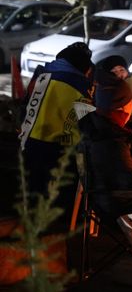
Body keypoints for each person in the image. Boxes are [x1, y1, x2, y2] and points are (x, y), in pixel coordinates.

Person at [20, 42, 94, 195]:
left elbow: (24, 107)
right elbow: (87, 124)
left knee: (33, 190)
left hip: (30, 141)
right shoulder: (80, 87)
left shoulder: (41, 77)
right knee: (57, 197)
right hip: (60, 148)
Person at [78, 71, 132, 222]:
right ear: (124, 107)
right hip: (122, 208)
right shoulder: (112, 139)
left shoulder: (95, 126)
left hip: (104, 202)